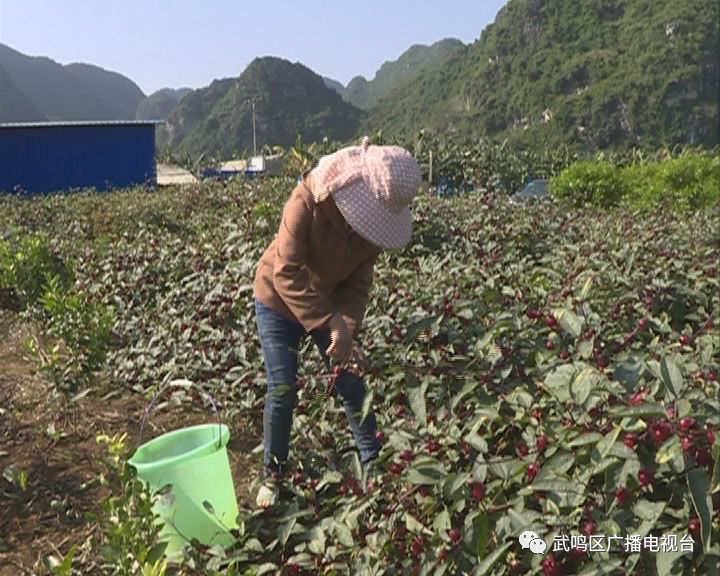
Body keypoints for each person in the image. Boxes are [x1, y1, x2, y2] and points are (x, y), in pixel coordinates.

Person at [252, 136, 423, 507]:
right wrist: (331, 321)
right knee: (283, 388)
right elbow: (286, 273)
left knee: (352, 384)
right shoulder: (306, 201)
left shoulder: (370, 234)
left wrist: (346, 327)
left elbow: (357, 285)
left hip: (326, 306)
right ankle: (273, 473)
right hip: (277, 303)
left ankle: (374, 466)